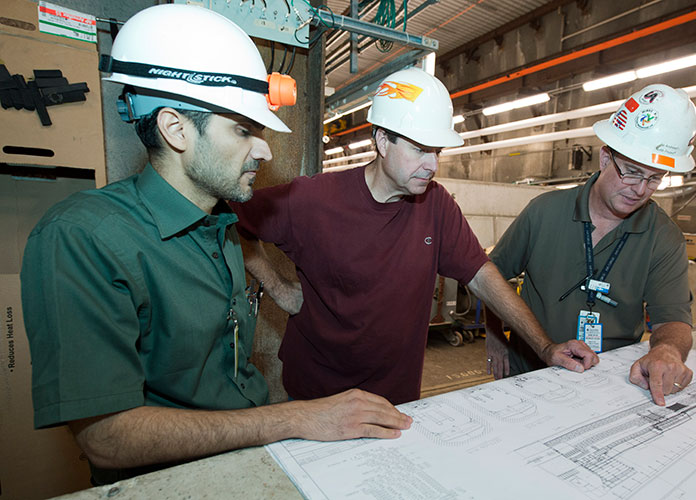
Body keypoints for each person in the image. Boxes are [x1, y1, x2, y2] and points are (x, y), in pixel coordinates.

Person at [20, 5, 411, 486]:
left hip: (249, 456)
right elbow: (106, 435)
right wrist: (296, 418)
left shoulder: (220, 222)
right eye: (243, 131)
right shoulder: (82, 238)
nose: (265, 150)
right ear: (175, 129)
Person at [233, 67, 598, 406]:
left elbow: (483, 278)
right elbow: (230, 219)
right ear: (382, 141)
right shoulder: (312, 200)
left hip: (398, 398)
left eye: (436, 151)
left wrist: (545, 346)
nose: (433, 164)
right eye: (420, 149)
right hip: (318, 395)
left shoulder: (436, 206)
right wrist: (278, 288)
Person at [486, 84, 696, 407]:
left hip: (609, 381)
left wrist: (668, 349)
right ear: (604, 157)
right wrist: (496, 335)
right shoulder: (544, 212)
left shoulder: (664, 237)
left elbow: (673, 319)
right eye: (632, 172)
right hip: (530, 369)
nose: (640, 189)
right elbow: (493, 277)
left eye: (655, 178)